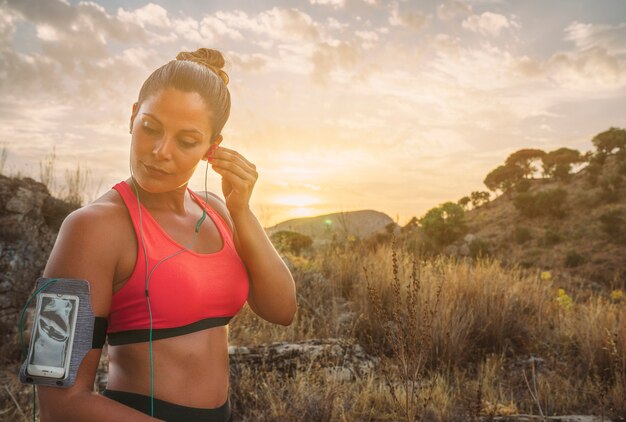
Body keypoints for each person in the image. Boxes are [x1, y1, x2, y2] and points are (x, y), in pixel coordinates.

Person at [37, 48, 297, 421]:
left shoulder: (217, 210)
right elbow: (57, 403)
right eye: (151, 128)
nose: (161, 152)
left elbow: (282, 309)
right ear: (132, 117)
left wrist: (242, 210)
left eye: (187, 141)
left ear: (213, 147)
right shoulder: (89, 229)